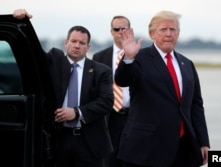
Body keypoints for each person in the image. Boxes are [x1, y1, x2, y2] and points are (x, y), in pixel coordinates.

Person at [13, 9, 114, 167]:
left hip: (90, 143)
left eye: (82, 43)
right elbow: (31, 52)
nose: (77, 46)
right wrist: (22, 20)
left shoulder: (101, 71)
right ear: (66, 42)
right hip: (59, 139)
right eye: (73, 41)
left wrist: (76, 112)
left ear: (88, 47)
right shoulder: (54, 60)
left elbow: (107, 102)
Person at [114, 10, 210, 167]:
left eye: (173, 29)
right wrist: (129, 58)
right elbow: (122, 80)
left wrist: (203, 142)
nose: (168, 34)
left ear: (178, 34)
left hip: (181, 148)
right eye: (163, 29)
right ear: (152, 33)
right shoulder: (139, 57)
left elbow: (195, 105)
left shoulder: (187, 64)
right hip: (146, 149)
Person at [93, 16, 131, 167]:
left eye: (124, 28)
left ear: (130, 30)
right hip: (108, 118)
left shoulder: (142, 56)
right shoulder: (99, 57)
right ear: (111, 32)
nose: (121, 32)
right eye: (117, 29)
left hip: (133, 116)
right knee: (109, 161)